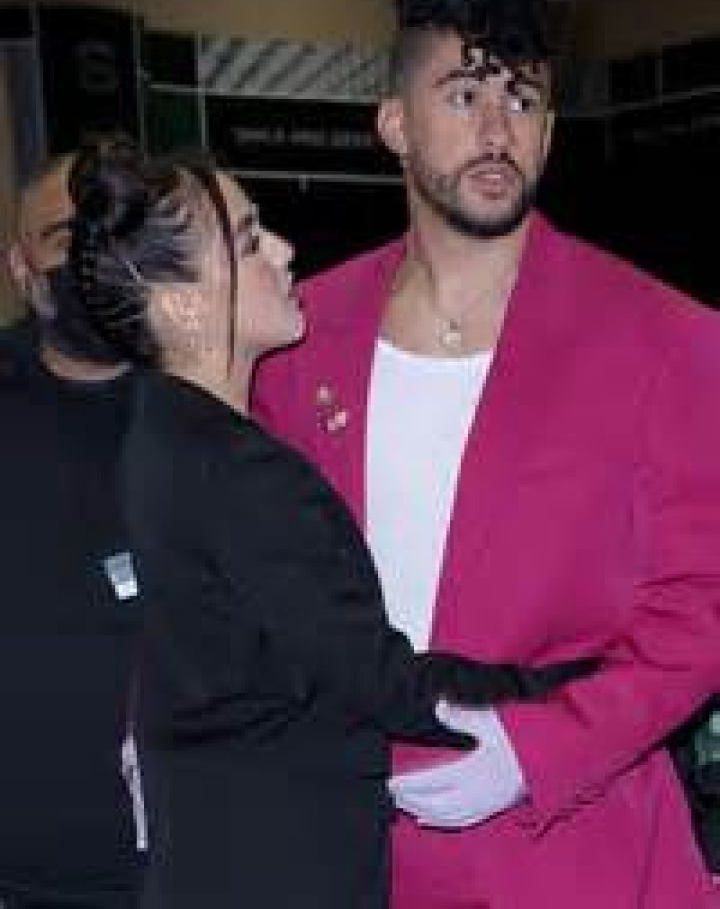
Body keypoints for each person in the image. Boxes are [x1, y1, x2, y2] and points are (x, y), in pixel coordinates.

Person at [253, 0, 720, 907]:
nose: (498, 129)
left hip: (576, 848)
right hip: (346, 841)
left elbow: (701, 611)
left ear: (551, 130)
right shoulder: (297, 339)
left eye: (525, 98)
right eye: (465, 96)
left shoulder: (665, 338)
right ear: (395, 123)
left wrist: (539, 750)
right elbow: (239, 571)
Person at [66, 139, 594, 909]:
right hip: (277, 873)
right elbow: (379, 680)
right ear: (181, 303)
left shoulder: (158, 434)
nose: (284, 252)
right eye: (250, 241)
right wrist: (566, 682)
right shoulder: (236, 471)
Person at [0, 154, 144, 907]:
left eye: (111, 235)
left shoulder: (219, 397)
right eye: (65, 240)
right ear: (22, 270)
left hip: (185, 864)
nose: (92, 261)